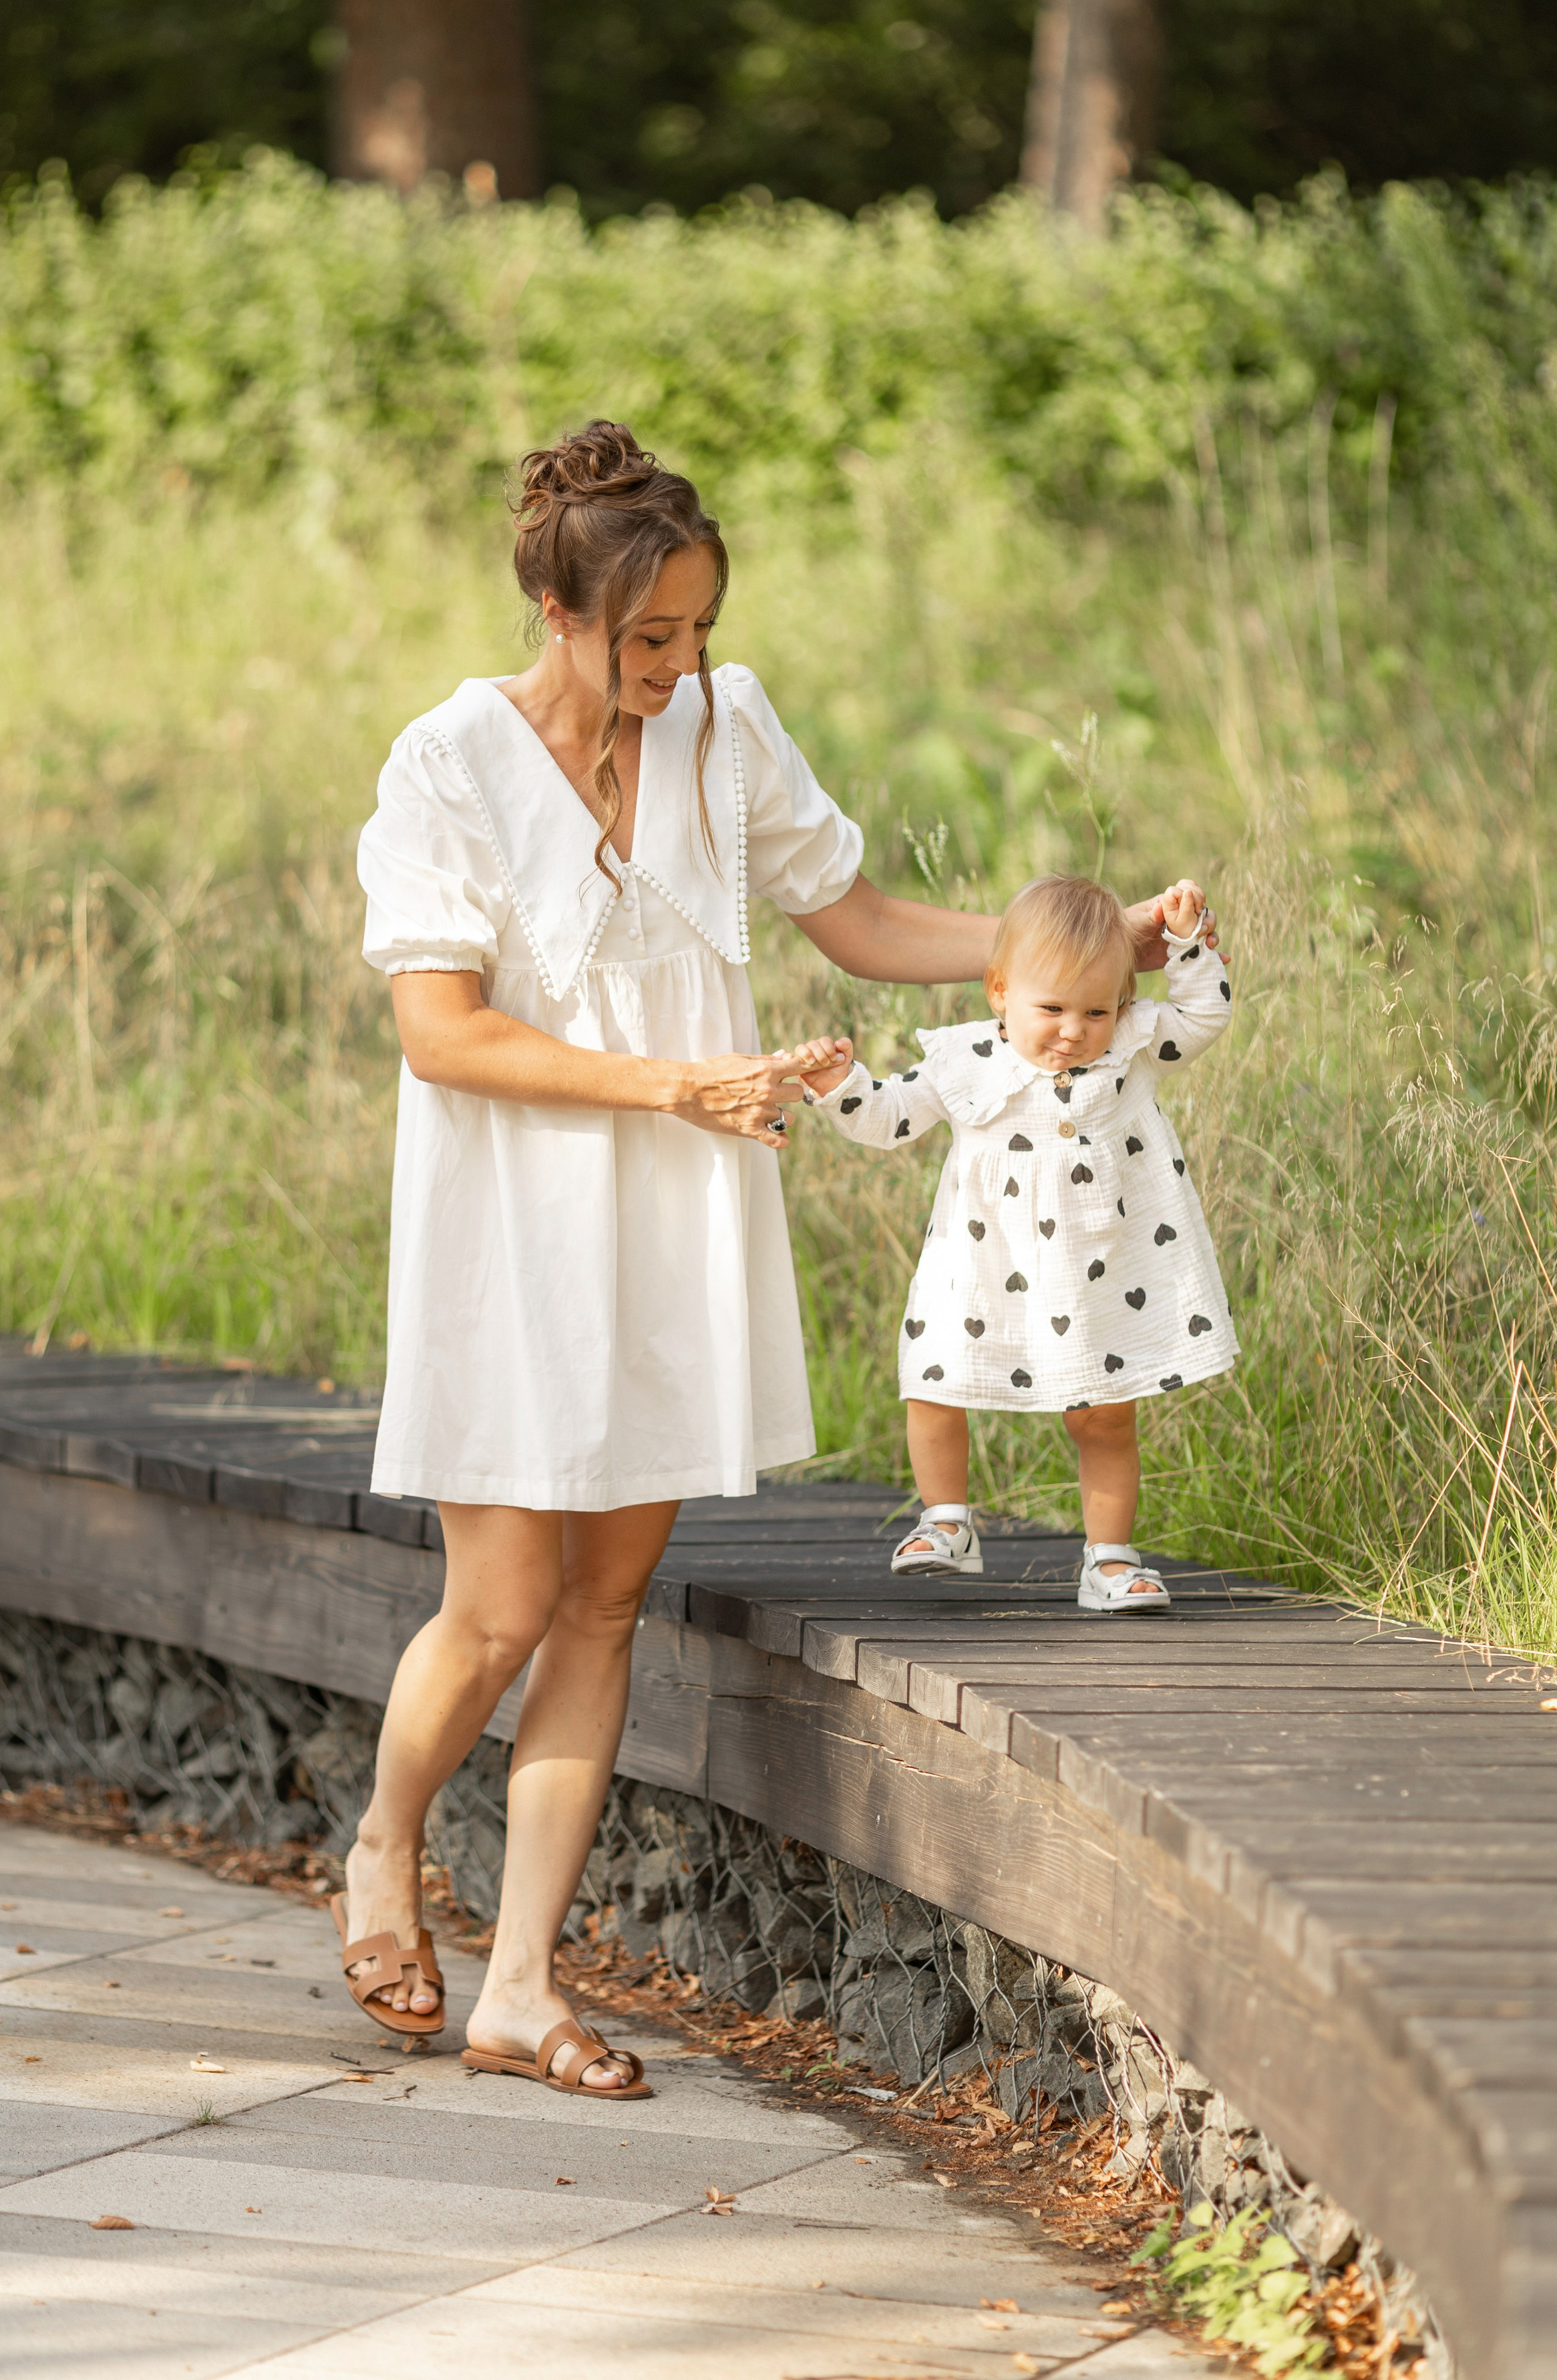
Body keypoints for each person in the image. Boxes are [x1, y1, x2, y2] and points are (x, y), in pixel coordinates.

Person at [343, 420, 1206, 2095]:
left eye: (695, 631)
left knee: (602, 1603)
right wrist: (672, 1081)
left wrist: (1081, 952)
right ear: (550, 599)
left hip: (677, 1204)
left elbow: (863, 922)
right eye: (643, 636)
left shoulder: (724, 727)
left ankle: (519, 1981)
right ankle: (383, 1844)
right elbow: (441, 1036)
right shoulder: (444, 762)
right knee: (505, 1597)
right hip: (511, 1218)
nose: (675, 668)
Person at [794, 872, 1236, 1612]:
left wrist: (1188, 946)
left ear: (1122, 1003)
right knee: (935, 1378)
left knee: (1103, 1411)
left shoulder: (1128, 1044)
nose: (1074, 1029)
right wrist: (841, 1083)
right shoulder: (965, 1058)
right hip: (982, 1261)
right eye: (1052, 1007)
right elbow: (890, 1116)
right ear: (999, 990)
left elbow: (1201, 1018)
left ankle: (1110, 1559)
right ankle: (945, 1521)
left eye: (1097, 1009)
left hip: (1103, 1265)